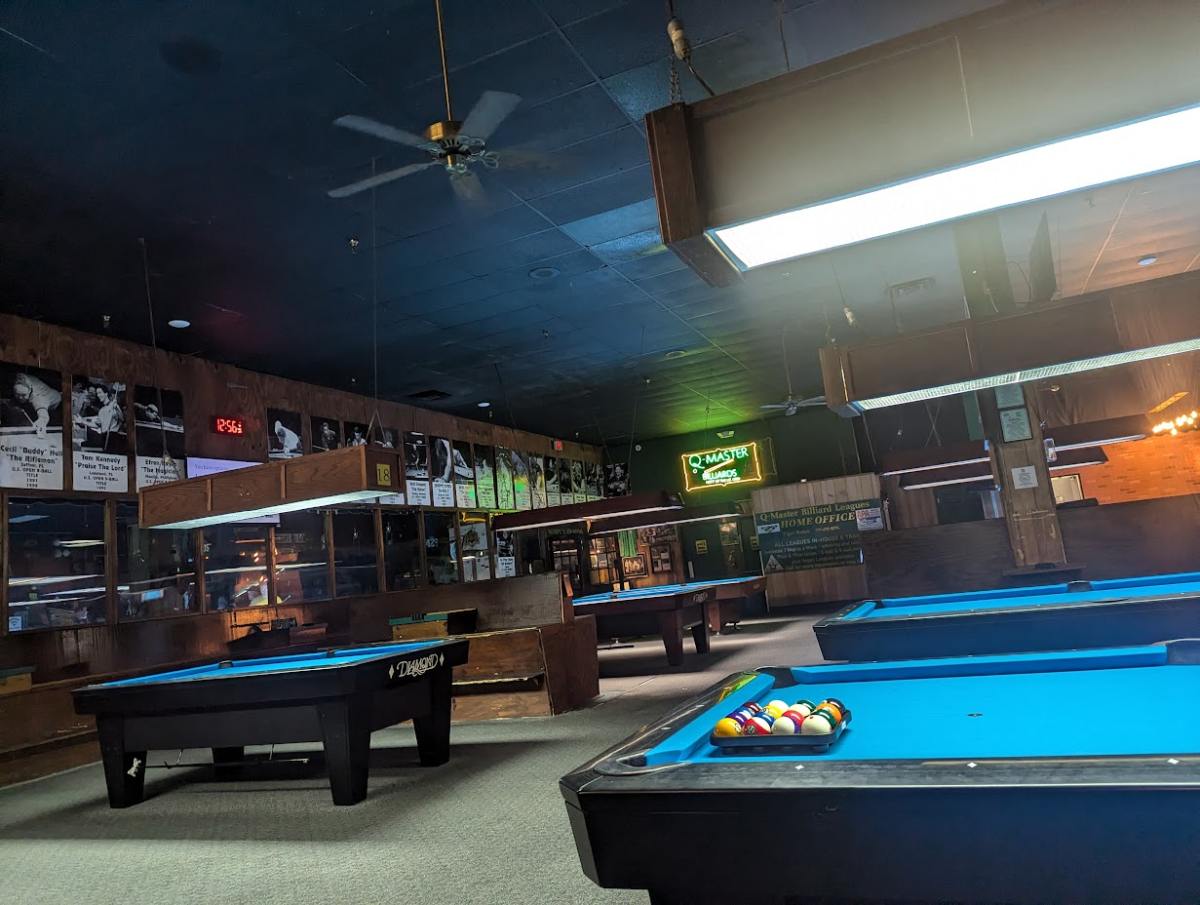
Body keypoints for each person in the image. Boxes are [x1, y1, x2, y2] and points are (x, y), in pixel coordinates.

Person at [12, 372, 62, 438]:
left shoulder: (37, 397)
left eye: (24, 395)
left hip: (56, 404)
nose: (20, 397)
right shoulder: (19, 378)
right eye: (17, 394)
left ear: (29, 391)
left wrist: (41, 421)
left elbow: (43, 414)